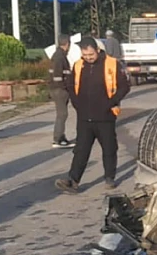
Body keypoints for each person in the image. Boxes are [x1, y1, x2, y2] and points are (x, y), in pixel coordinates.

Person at [55, 37, 131, 194]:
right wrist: (77, 104)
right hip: (84, 117)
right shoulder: (78, 65)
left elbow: (124, 86)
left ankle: (109, 178)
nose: (88, 58)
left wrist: (112, 102)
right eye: (85, 55)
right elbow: (70, 85)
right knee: (81, 150)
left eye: (90, 54)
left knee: (109, 149)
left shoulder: (112, 64)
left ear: (97, 50)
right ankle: (73, 180)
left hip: (105, 116)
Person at [48, 34, 74, 148]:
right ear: (67, 44)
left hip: (58, 89)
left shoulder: (58, 55)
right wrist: (65, 88)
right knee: (62, 114)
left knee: (62, 114)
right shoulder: (59, 57)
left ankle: (61, 137)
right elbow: (57, 76)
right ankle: (58, 139)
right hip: (59, 90)